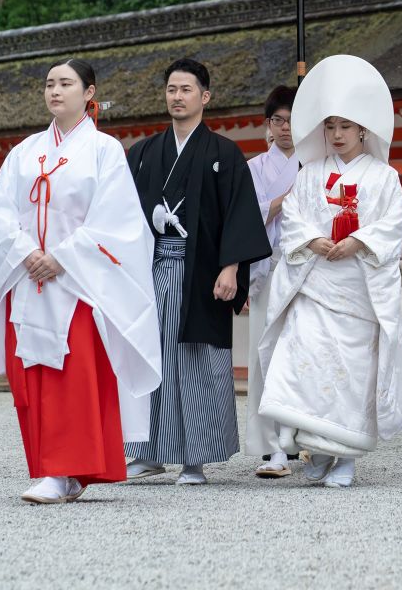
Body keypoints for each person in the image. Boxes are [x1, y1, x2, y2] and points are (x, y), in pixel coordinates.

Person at [0, 59, 161, 505]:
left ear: (90, 93)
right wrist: (28, 253)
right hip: (28, 277)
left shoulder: (104, 150)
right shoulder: (25, 151)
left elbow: (117, 219)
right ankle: (51, 469)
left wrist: (63, 258)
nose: (55, 91)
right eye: (50, 83)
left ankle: (65, 469)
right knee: (31, 375)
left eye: (66, 83)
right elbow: (2, 211)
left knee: (75, 375)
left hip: (79, 282)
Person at [257, 55, 402, 489]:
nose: (338, 135)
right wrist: (312, 240)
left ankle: (344, 457)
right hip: (315, 282)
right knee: (306, 365)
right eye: (331, 127)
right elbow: (292, 216)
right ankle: (319, 450)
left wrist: (360, 241)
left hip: (357, 288)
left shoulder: (383, 176)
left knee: (349, 374)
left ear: (363, 129)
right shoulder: (311, 174)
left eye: (346, 126)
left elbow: (393, 219)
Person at [124, 57, 271, 485]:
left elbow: (239, 216)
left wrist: (231, 269)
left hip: (202, 275)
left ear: (205, 97)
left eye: (186, 89)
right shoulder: (144, 153)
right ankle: (146, 451)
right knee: (151, 360)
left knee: (196, 363)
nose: (177, 96)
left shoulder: (224, 153)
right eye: (171, 89)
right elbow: (121, 213)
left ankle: (194, 459)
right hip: (151, 272)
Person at [244, 86, 299, 476]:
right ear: (268, 125)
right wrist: (286, 198)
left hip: (305, 270)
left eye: (293, 119)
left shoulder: (317, 164)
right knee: (266, 354)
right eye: (277, 120)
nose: (285, 127)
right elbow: (250, 220)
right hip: (268, 268)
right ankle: (272, 444)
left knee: (303, 354)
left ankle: (302, 438)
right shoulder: (255, 168)